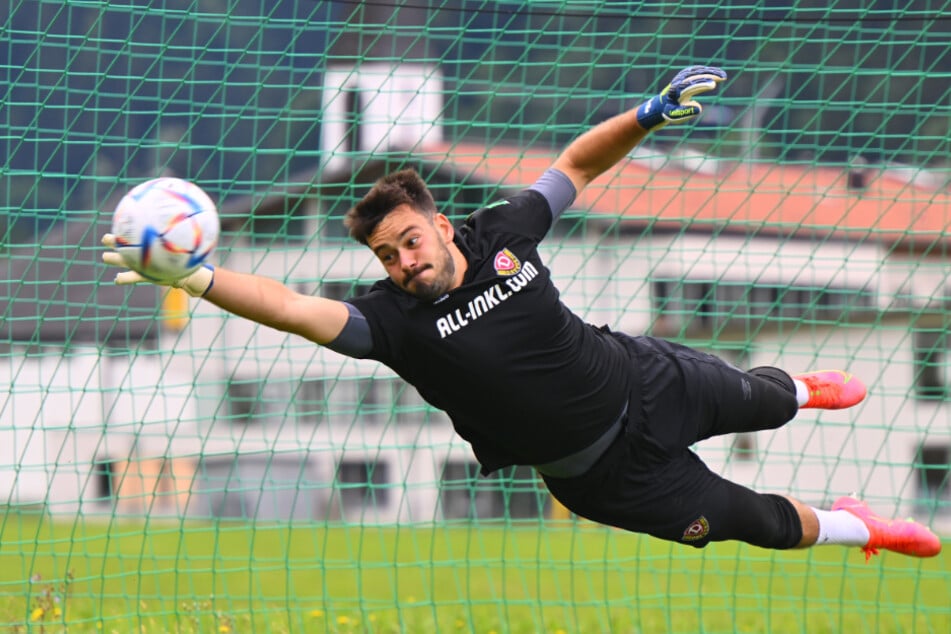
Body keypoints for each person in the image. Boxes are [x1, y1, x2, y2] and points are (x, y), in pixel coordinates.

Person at [103, 65, 941, 561]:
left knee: (764, 399)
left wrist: (648, 116)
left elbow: (577, 162)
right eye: (386, 258)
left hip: (644, 380)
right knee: (751, 522)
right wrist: (198, 278)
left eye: (407, 243)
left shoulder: (503, 230)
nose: (402, 263)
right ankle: (857, 528)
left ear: (436, 221)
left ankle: (798, 387)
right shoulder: (391, 324)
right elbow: (289, 305)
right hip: (606, 478)